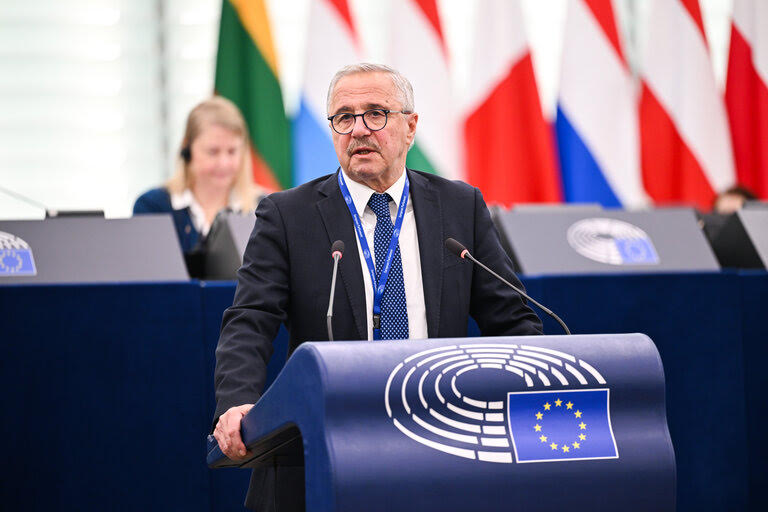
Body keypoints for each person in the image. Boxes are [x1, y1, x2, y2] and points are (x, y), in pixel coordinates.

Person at [213, 63, 543, 511]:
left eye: (375, 113)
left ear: (410, 127)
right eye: (343, 117)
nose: (358, 130)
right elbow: (250, 320)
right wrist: (238, 401)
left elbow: (512, 320)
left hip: (442, 438)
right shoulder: (288, 215)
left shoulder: (459, 206)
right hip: (328, 442)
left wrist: (533, 390)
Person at [133, 96, 263, 253]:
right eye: (213, 152)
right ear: (187, 149)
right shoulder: (153, 207)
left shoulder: (264, 209)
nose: (224, 163)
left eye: (232, 151)